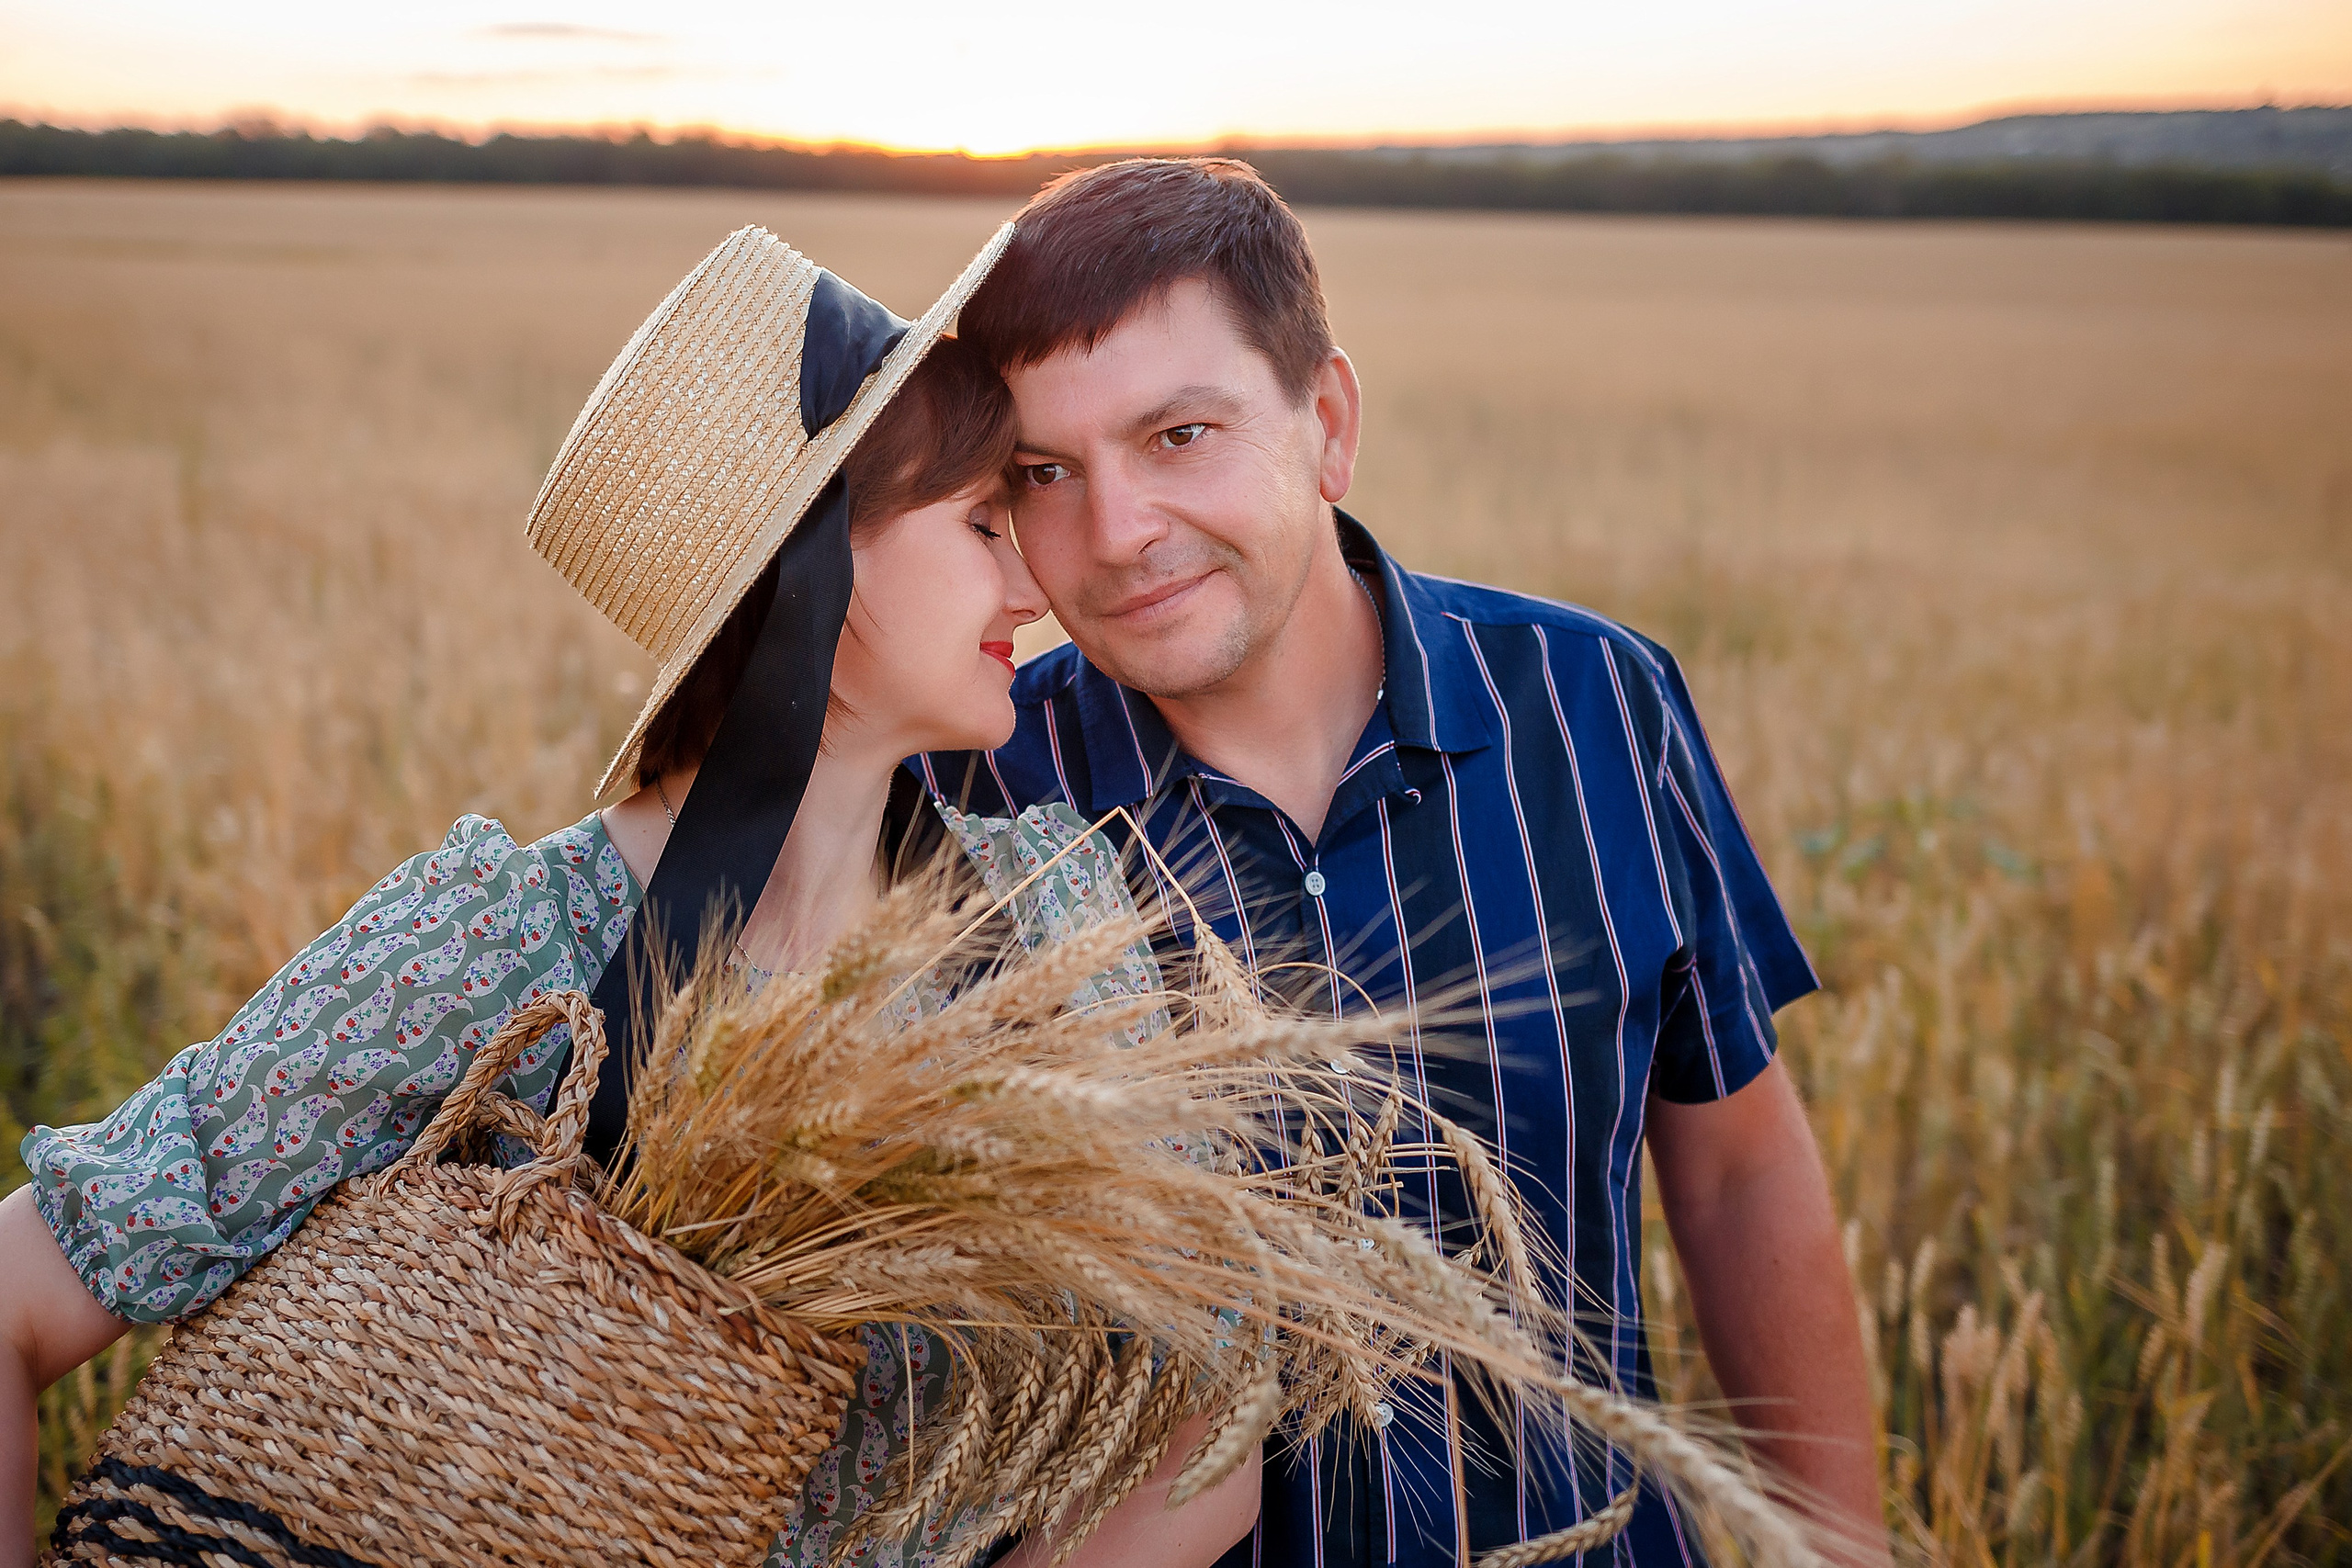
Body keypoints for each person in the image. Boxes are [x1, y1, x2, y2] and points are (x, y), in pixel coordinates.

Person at [0, 227, 1258, 1568]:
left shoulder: (1053, 927)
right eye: (979, 523)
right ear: (811, 570)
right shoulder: (498, 942)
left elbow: (1207, 1422)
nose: (1035, 580)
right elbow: (17, 1296)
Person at [910, 159, 1891, 1568]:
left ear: (1327, 425)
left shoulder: (1593, 701)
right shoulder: (972, 803)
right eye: (1044, 473)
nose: (1116, 533)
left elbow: (1738, 1167)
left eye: (1182, 434)